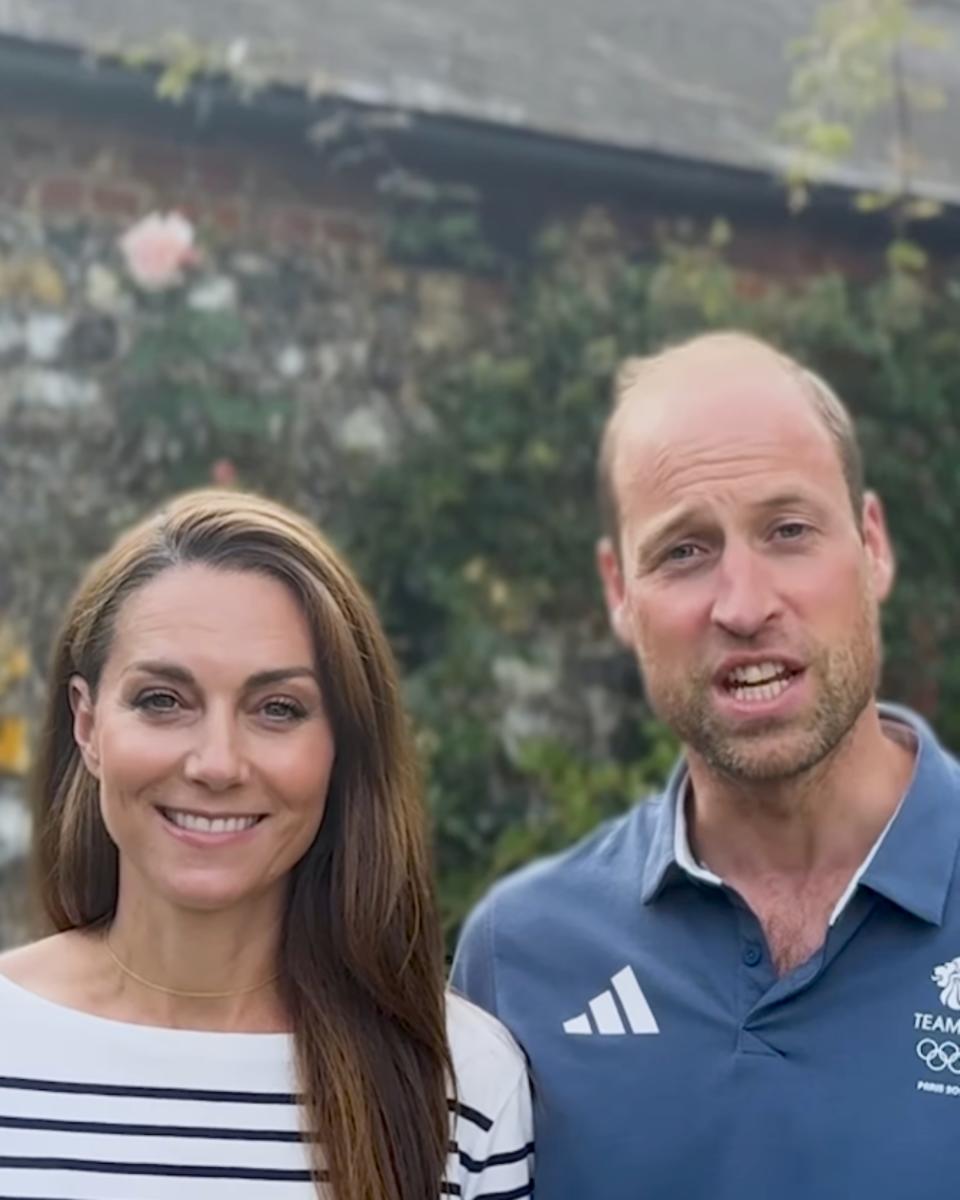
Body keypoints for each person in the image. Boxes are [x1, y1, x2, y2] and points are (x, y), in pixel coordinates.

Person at [452, 331, 960, 1200]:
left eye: (789, 530)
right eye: (684, 550)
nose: (745, 604)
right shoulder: (522, 957)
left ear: (872, 544)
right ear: (619, 590)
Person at [0, 489, 533, 1200]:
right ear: (88, 725)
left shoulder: (461, 1081)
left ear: (341, 747)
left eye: (277, 709)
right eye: (163, 700)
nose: (217, 763)